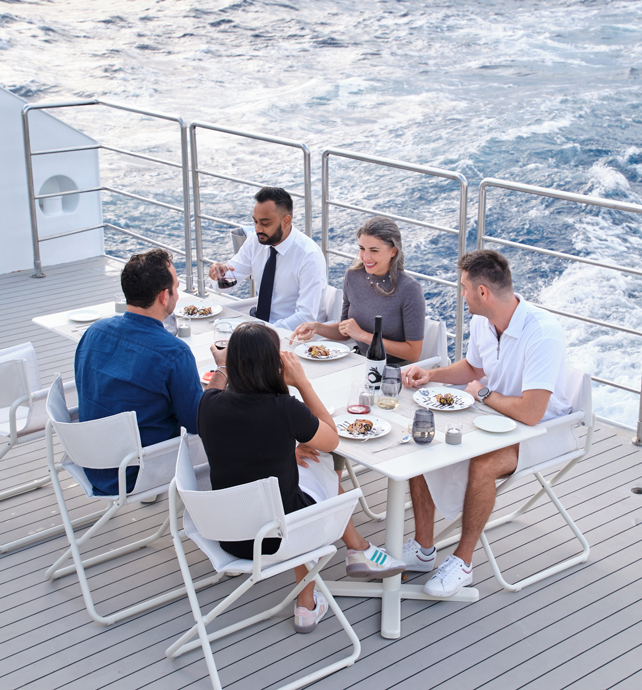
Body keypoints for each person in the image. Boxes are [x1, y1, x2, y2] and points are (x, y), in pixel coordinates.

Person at [198, 323, 405, 633]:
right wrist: (302, 382)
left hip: (227, 536)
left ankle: (357, 549)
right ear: (274, 363)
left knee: (289, 476)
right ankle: (310, 600)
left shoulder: (208, 406)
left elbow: (221, 394)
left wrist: (224, 365)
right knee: (322, 462)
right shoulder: (284, 409)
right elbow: (333, 439)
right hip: (278, 538)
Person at [401, 249, 571, 597]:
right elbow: (474, 370)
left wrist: (482, 394)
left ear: (482, 293)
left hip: (542, 432)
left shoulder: (542, 333)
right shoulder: (484, 320)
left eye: (463, 287)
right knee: (422, 440)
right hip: (495, 418)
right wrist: (430, 374)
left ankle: (463, 561)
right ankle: (423, 549)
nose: (460, 294)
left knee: (483, 464)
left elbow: (531, 412)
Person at [75, 249, 215, 496]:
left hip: (92, 461)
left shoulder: (93, 332)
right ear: (164, 296)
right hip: (137, 473)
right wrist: (223, 371)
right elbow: (198, 423)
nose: (178, 294)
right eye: (177, 288)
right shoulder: (175, 353)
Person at [290, 216, 425, 364]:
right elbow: (345, 331)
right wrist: (316, 327)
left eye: (374, 250)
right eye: (362, 249)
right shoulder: (352, 276)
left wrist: (363, 336)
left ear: (393, 251)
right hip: (358, 361)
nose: (365, 257)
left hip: (394, 370)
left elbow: (413, 353)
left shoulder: (410, 289)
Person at [208, 187, 327, 330]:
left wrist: (263, 334)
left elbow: (305, 317)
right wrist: (218, 274)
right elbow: (227, 285)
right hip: (261, 327)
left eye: (265, 223)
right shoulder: (255, 241)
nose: (258, 229)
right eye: (255, 222)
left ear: (286, 221)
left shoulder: (309, 256)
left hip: (293, 336)